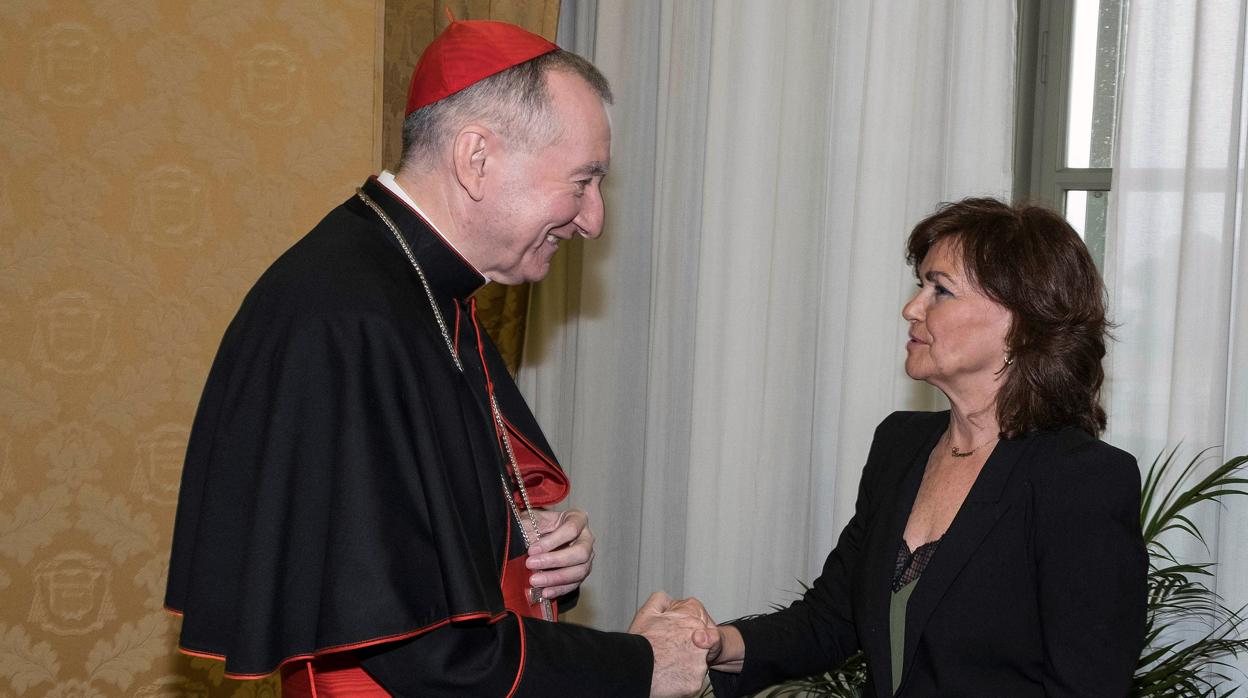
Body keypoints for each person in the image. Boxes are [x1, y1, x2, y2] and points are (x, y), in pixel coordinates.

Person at [165, 20, 706, 698]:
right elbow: (426, 651)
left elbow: (415, 547)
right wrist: (643, 665)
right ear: (476, 157)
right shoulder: (348, 320)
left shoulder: (418, 288)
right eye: (583, 180)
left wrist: (518, 543)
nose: (593, 220)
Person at [683, 198, 1148, 696]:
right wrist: (717, 643)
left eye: (940, 291)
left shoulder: (1081, 479)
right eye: (920, 285)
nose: (912, 308)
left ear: (1020, 324)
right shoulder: (900, 443)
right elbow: (832, 619)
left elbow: (1086, 686)